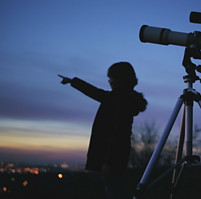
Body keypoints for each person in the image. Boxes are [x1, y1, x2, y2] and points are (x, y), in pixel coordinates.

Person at [59, 62, 147, 199]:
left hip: (113, 156)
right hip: (116, 154)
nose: (109, 80)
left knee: (114, 191)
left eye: (111, 77)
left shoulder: (120, 101)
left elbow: (119, 134)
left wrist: (109, 161)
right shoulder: (119, 98)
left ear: (119, 79)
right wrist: (73, 82)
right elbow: (95, 92)